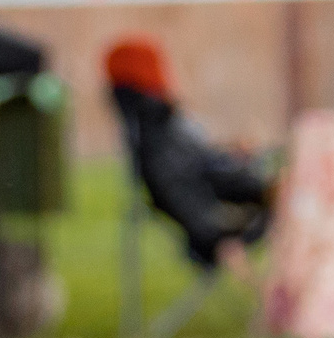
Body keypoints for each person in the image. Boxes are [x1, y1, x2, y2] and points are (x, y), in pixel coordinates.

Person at [104, 35, 270, 278]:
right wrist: (251, 175)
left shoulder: (150, 126)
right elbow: (201, 173)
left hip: (207, 205)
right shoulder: (159, 123)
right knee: (300, 196)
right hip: (211, 224)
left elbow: (195, 166)